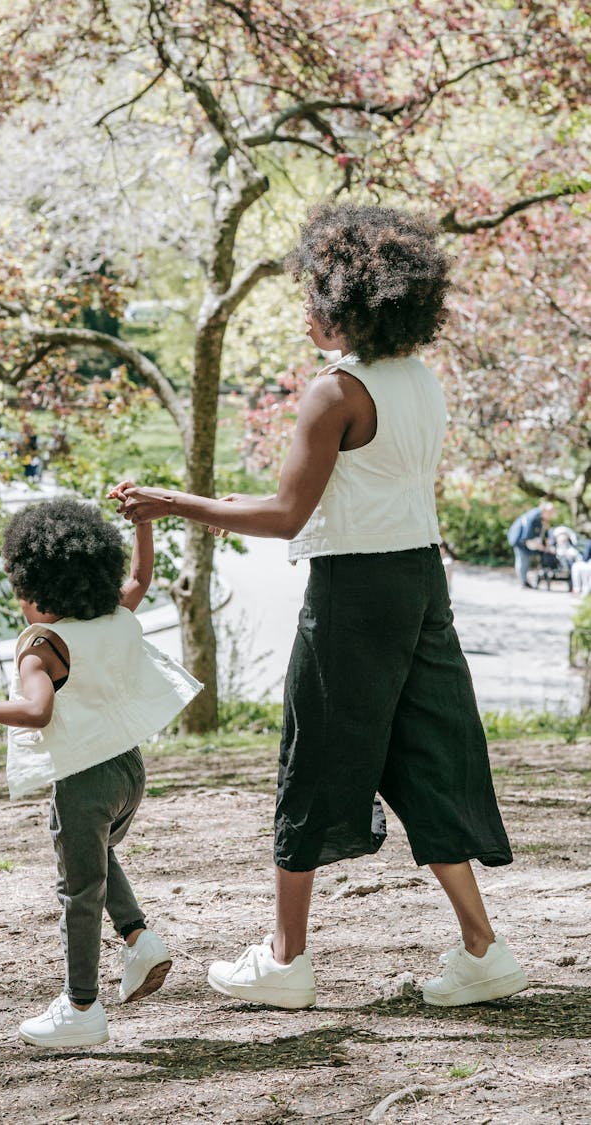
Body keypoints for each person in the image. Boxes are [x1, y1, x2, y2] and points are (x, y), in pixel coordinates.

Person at [111, 202, 528, 1011]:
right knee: (419, 762)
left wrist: (170, 501)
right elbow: (314, 498)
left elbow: (287, 518)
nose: (307, 307)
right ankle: (483, 947)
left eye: (316, 293)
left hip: (354, 593)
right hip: (418, 584)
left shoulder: (335, 390)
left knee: (311, 759)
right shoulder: (420, 380)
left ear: (352, 300)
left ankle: (286, 960)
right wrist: (189, 501)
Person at [0, 498, 201, 1046]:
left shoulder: (42, 647)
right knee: (96, 856)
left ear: (36, 590)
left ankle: (81, 1008)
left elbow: (37, 712)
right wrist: (143, 526)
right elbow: (141, 576)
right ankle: (139, 937)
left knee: (79, 889)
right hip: (130, 771)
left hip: (82, 782)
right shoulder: (114, 615)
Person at [507, 502, 555, 589]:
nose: (551, 515)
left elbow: (545, 533)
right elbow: (527, 537)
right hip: (519, 539)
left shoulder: (541, 518)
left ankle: (524, 581)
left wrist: (547, 546)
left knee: (526, 560)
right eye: (550, 512)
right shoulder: (533, 516)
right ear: (545, 511)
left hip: (527, 541)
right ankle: (522, 582)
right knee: (522, 560)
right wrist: (540, 546)